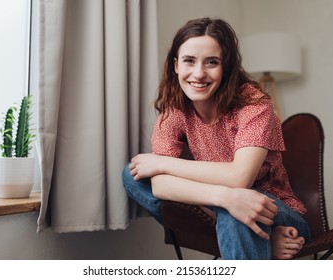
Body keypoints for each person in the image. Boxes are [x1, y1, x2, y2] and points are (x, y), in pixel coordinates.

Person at [122, 17, 310, 260]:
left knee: (238, 207)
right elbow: (159, 185)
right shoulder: (174, 111)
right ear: (176, 65)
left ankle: (249, 222)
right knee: (132, 175)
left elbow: (239, 177)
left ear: (227, 67)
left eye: (211, 62)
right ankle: (260, 234)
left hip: (276, 209)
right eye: (189, 61)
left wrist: (163, 163)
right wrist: (225, 198)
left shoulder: (255, 105)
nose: (198, 74)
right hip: (219, 205)